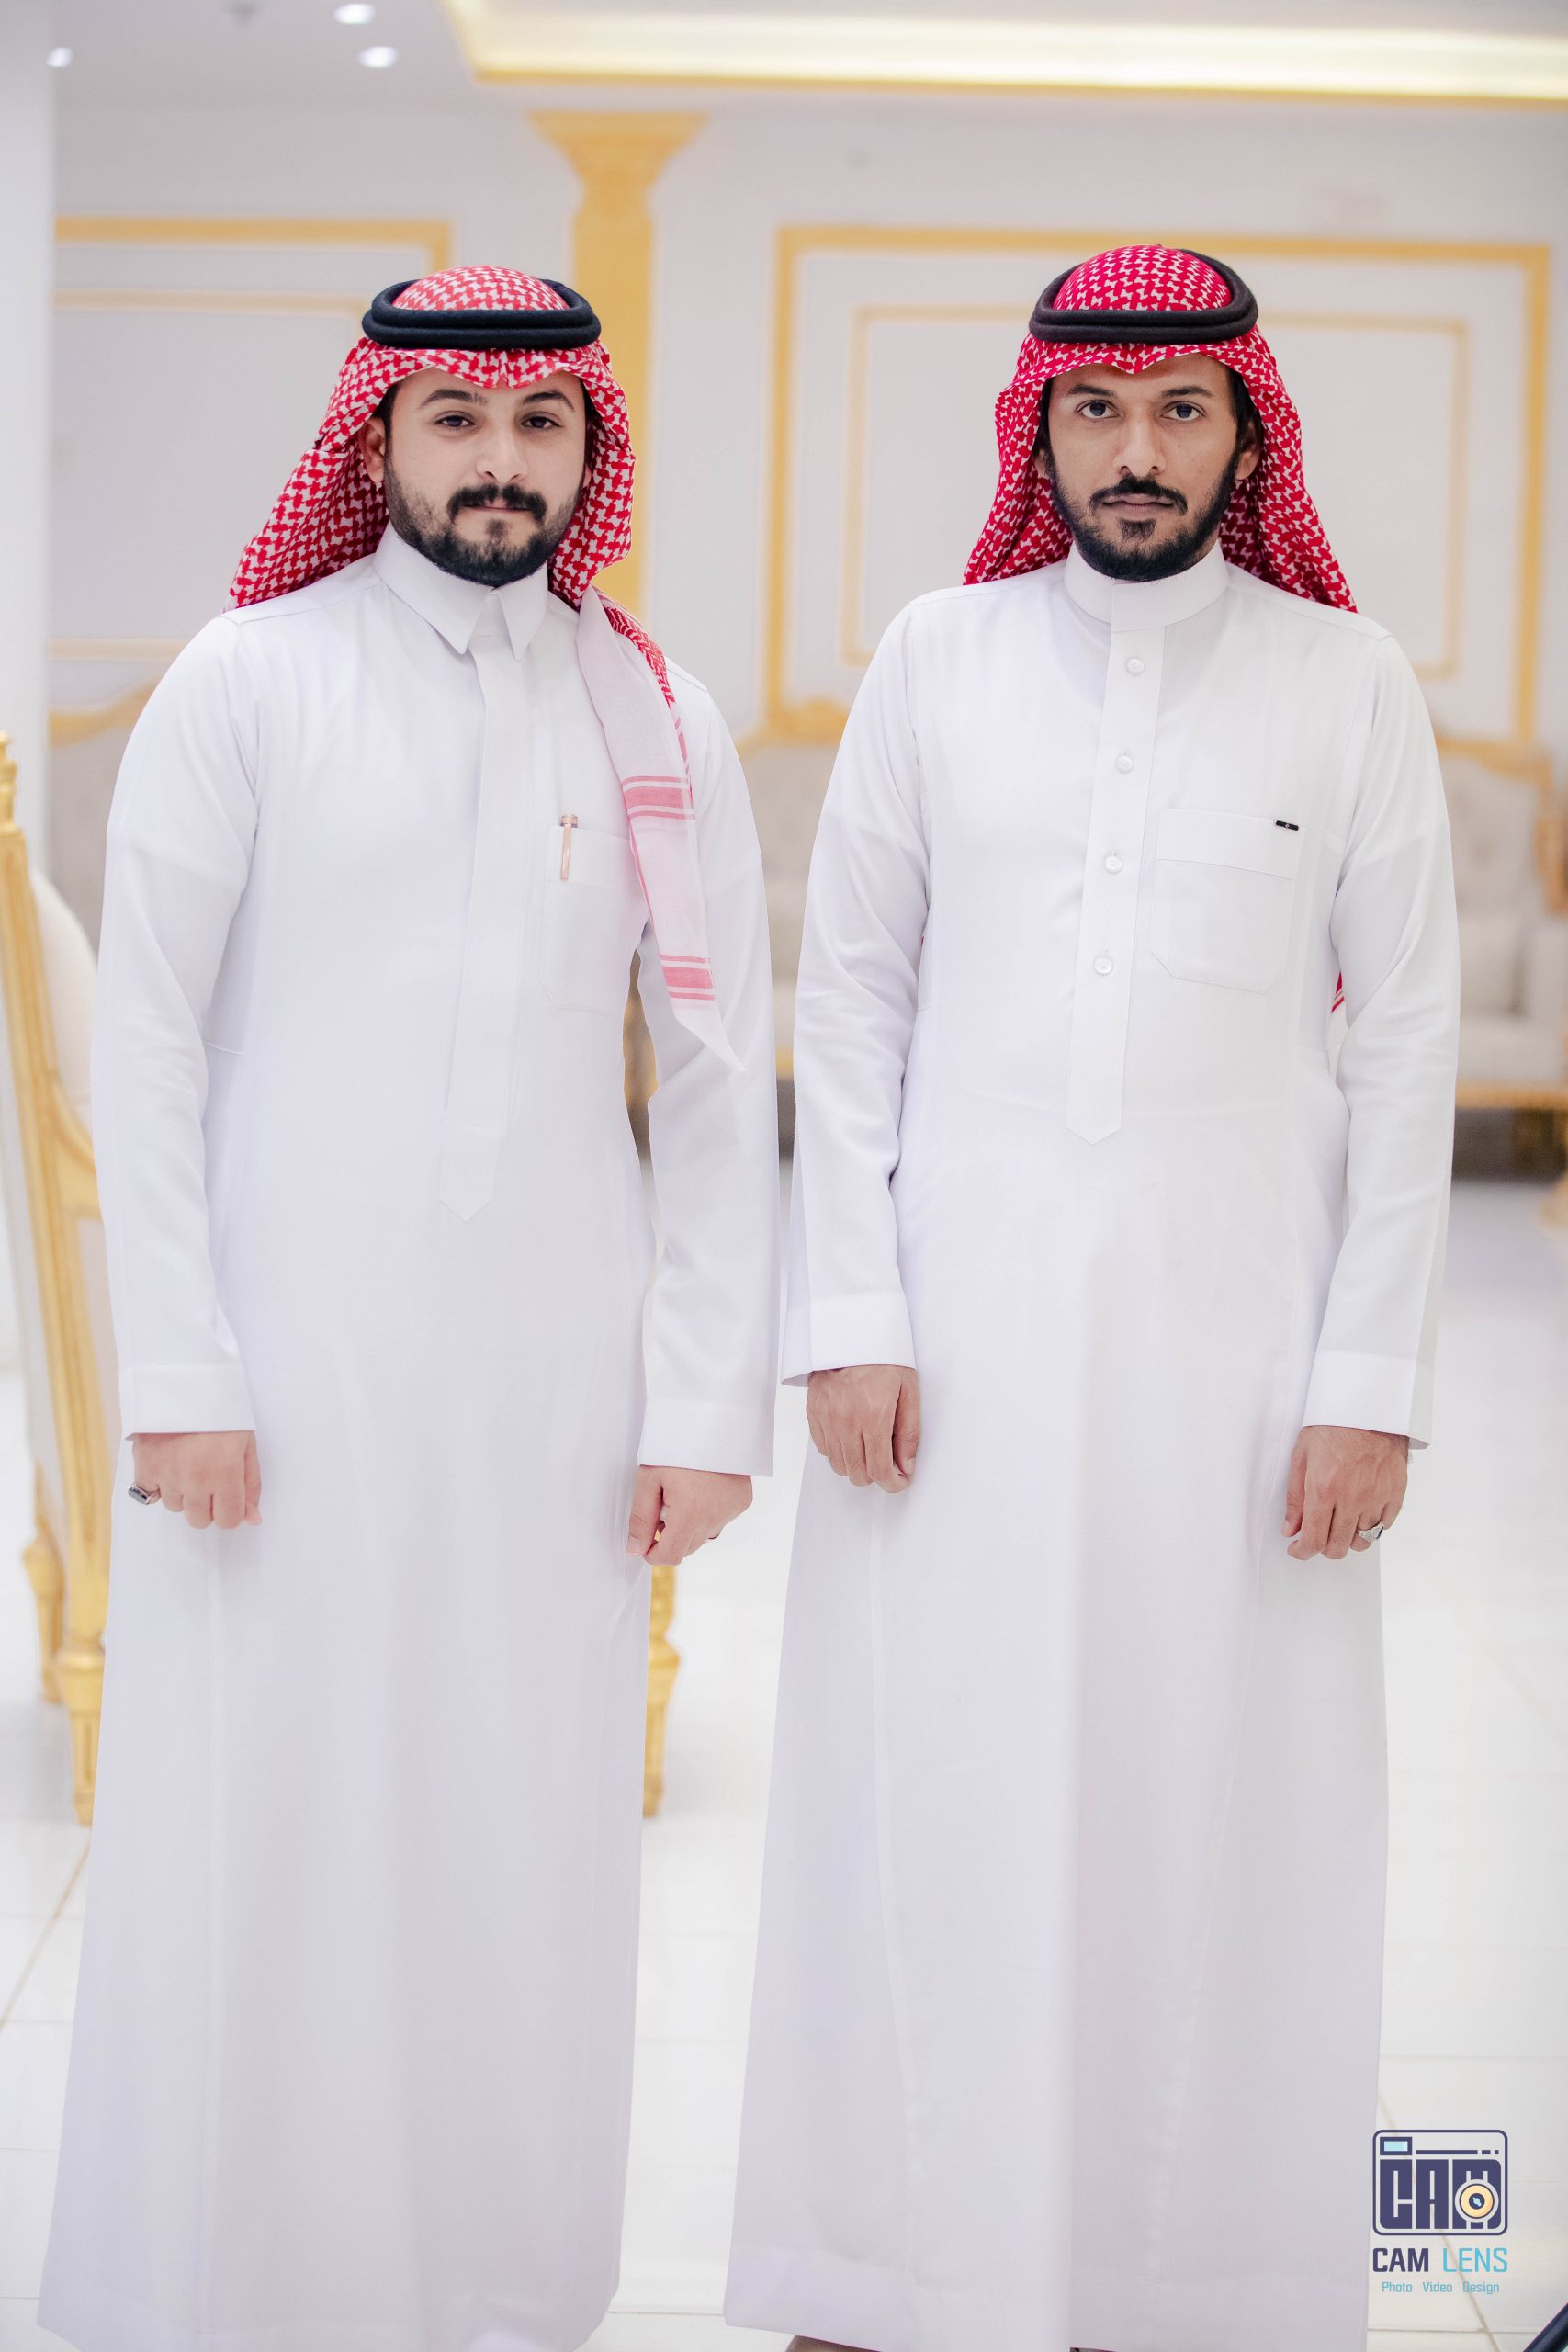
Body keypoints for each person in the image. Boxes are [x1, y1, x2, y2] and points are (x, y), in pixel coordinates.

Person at [727, 244, 1460, 2352]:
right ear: (1037, 428)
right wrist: (849, 1312)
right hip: (947, 1350)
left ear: (1241, 433)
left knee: (1215, 1802)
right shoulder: (933, 658)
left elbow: (1405, 1040)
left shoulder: (1344, 678)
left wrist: (1367, 1378)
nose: (1134, 450)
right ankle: (895, 2266)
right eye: (1095, 409)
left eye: (1176, 409)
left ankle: (1188, 2278)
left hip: (1239, 1360)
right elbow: (846, 1001)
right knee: (927, 1788)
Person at [39, 267, 778, 2352]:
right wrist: (180, 1372)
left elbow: (719, 1073)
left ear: (586, 449)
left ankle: (490, 2293)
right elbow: (145, 1049)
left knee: (517, 1835)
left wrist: (701, 1400)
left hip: (553, 1387)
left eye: (539, 427)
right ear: (376, 439)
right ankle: (231, 2286)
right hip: (281, 1371)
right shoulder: (246, 681)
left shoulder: (654, 715)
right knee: (265, 1821)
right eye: (455, 421)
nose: (498, 464)